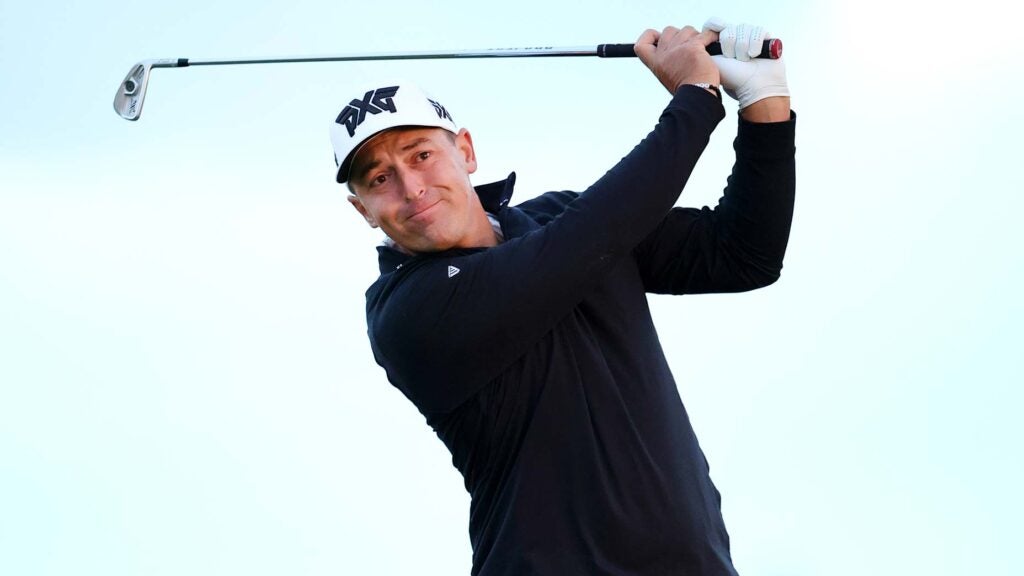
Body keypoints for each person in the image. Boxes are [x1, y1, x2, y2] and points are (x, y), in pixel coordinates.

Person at [329, 18, 795, 576]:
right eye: (378, 179)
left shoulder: (555, 220)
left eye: (420, 154)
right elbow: (587, 240)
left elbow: (743, 254)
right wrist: (695, 99)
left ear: (466, 152)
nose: (411, 187)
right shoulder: (406, 313)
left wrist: (765, 103)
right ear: (363, 211)